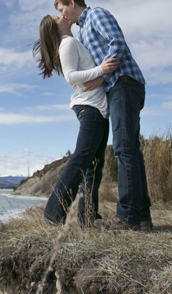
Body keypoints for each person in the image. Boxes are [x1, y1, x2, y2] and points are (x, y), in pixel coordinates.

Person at [55, 0, 153, 231]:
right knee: (129, 149)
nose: (62, 14)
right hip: (117, 86)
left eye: (61, 9)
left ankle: (129, 217)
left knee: (124, 149)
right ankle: (140, 217)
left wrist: (100, 78)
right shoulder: (82, 32)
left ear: (72, 2)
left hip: (124, 82)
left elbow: (117, 44)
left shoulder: (96, 15)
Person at [33, 14, 119, 226]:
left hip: (95, 107)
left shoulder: (72, 41)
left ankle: (87, 217)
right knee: (82, 158)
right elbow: (71, 76)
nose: (62, 15)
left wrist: (98, 75)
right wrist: (102, 69)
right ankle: (53, 213)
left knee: (93, 166)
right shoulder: (68, 43)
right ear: (56, 27)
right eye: (57, 16)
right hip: (89, 107)